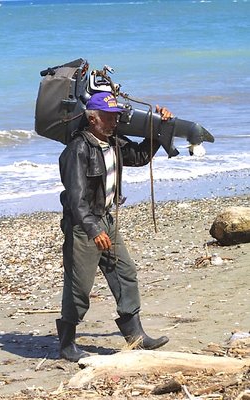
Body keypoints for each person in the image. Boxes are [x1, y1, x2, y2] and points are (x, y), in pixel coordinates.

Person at [56, 91, 173, 362]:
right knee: (79, 286)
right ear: (92, 119)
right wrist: (93, 230)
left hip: (107, 219)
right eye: (109, 117)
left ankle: (137, 336)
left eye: (116, 116)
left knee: (125, 272)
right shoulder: (78, 149)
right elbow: (75, 199)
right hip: (83, 225)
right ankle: (66, 343)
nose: (114, 121)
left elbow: (141, 156)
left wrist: (159, 126)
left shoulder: (114, 142)